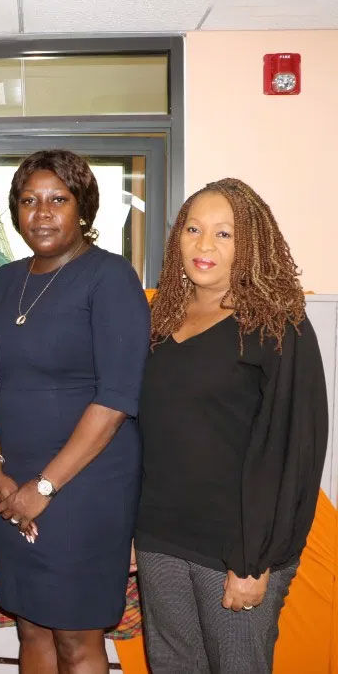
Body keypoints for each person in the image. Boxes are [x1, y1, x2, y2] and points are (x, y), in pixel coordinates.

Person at [135, 178, 327, 673]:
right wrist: (131, 532)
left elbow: (294, 451)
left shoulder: (279, 325)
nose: (204, 245)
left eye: (224, 233)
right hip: (160, 538)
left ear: (252, 244)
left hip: (236, 549)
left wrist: (255, 561)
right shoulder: (159, 318)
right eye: (193, 229)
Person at [0, 149, 150, 672]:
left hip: (85, 486)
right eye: (29, 201)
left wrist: (44, 487)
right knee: (31, 629)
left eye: (58, 199)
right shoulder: (5, 280)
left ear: (83, 208)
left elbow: (116, 399)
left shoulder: (110, 277)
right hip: (11, 481)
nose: (42, 213)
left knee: (77, 639)